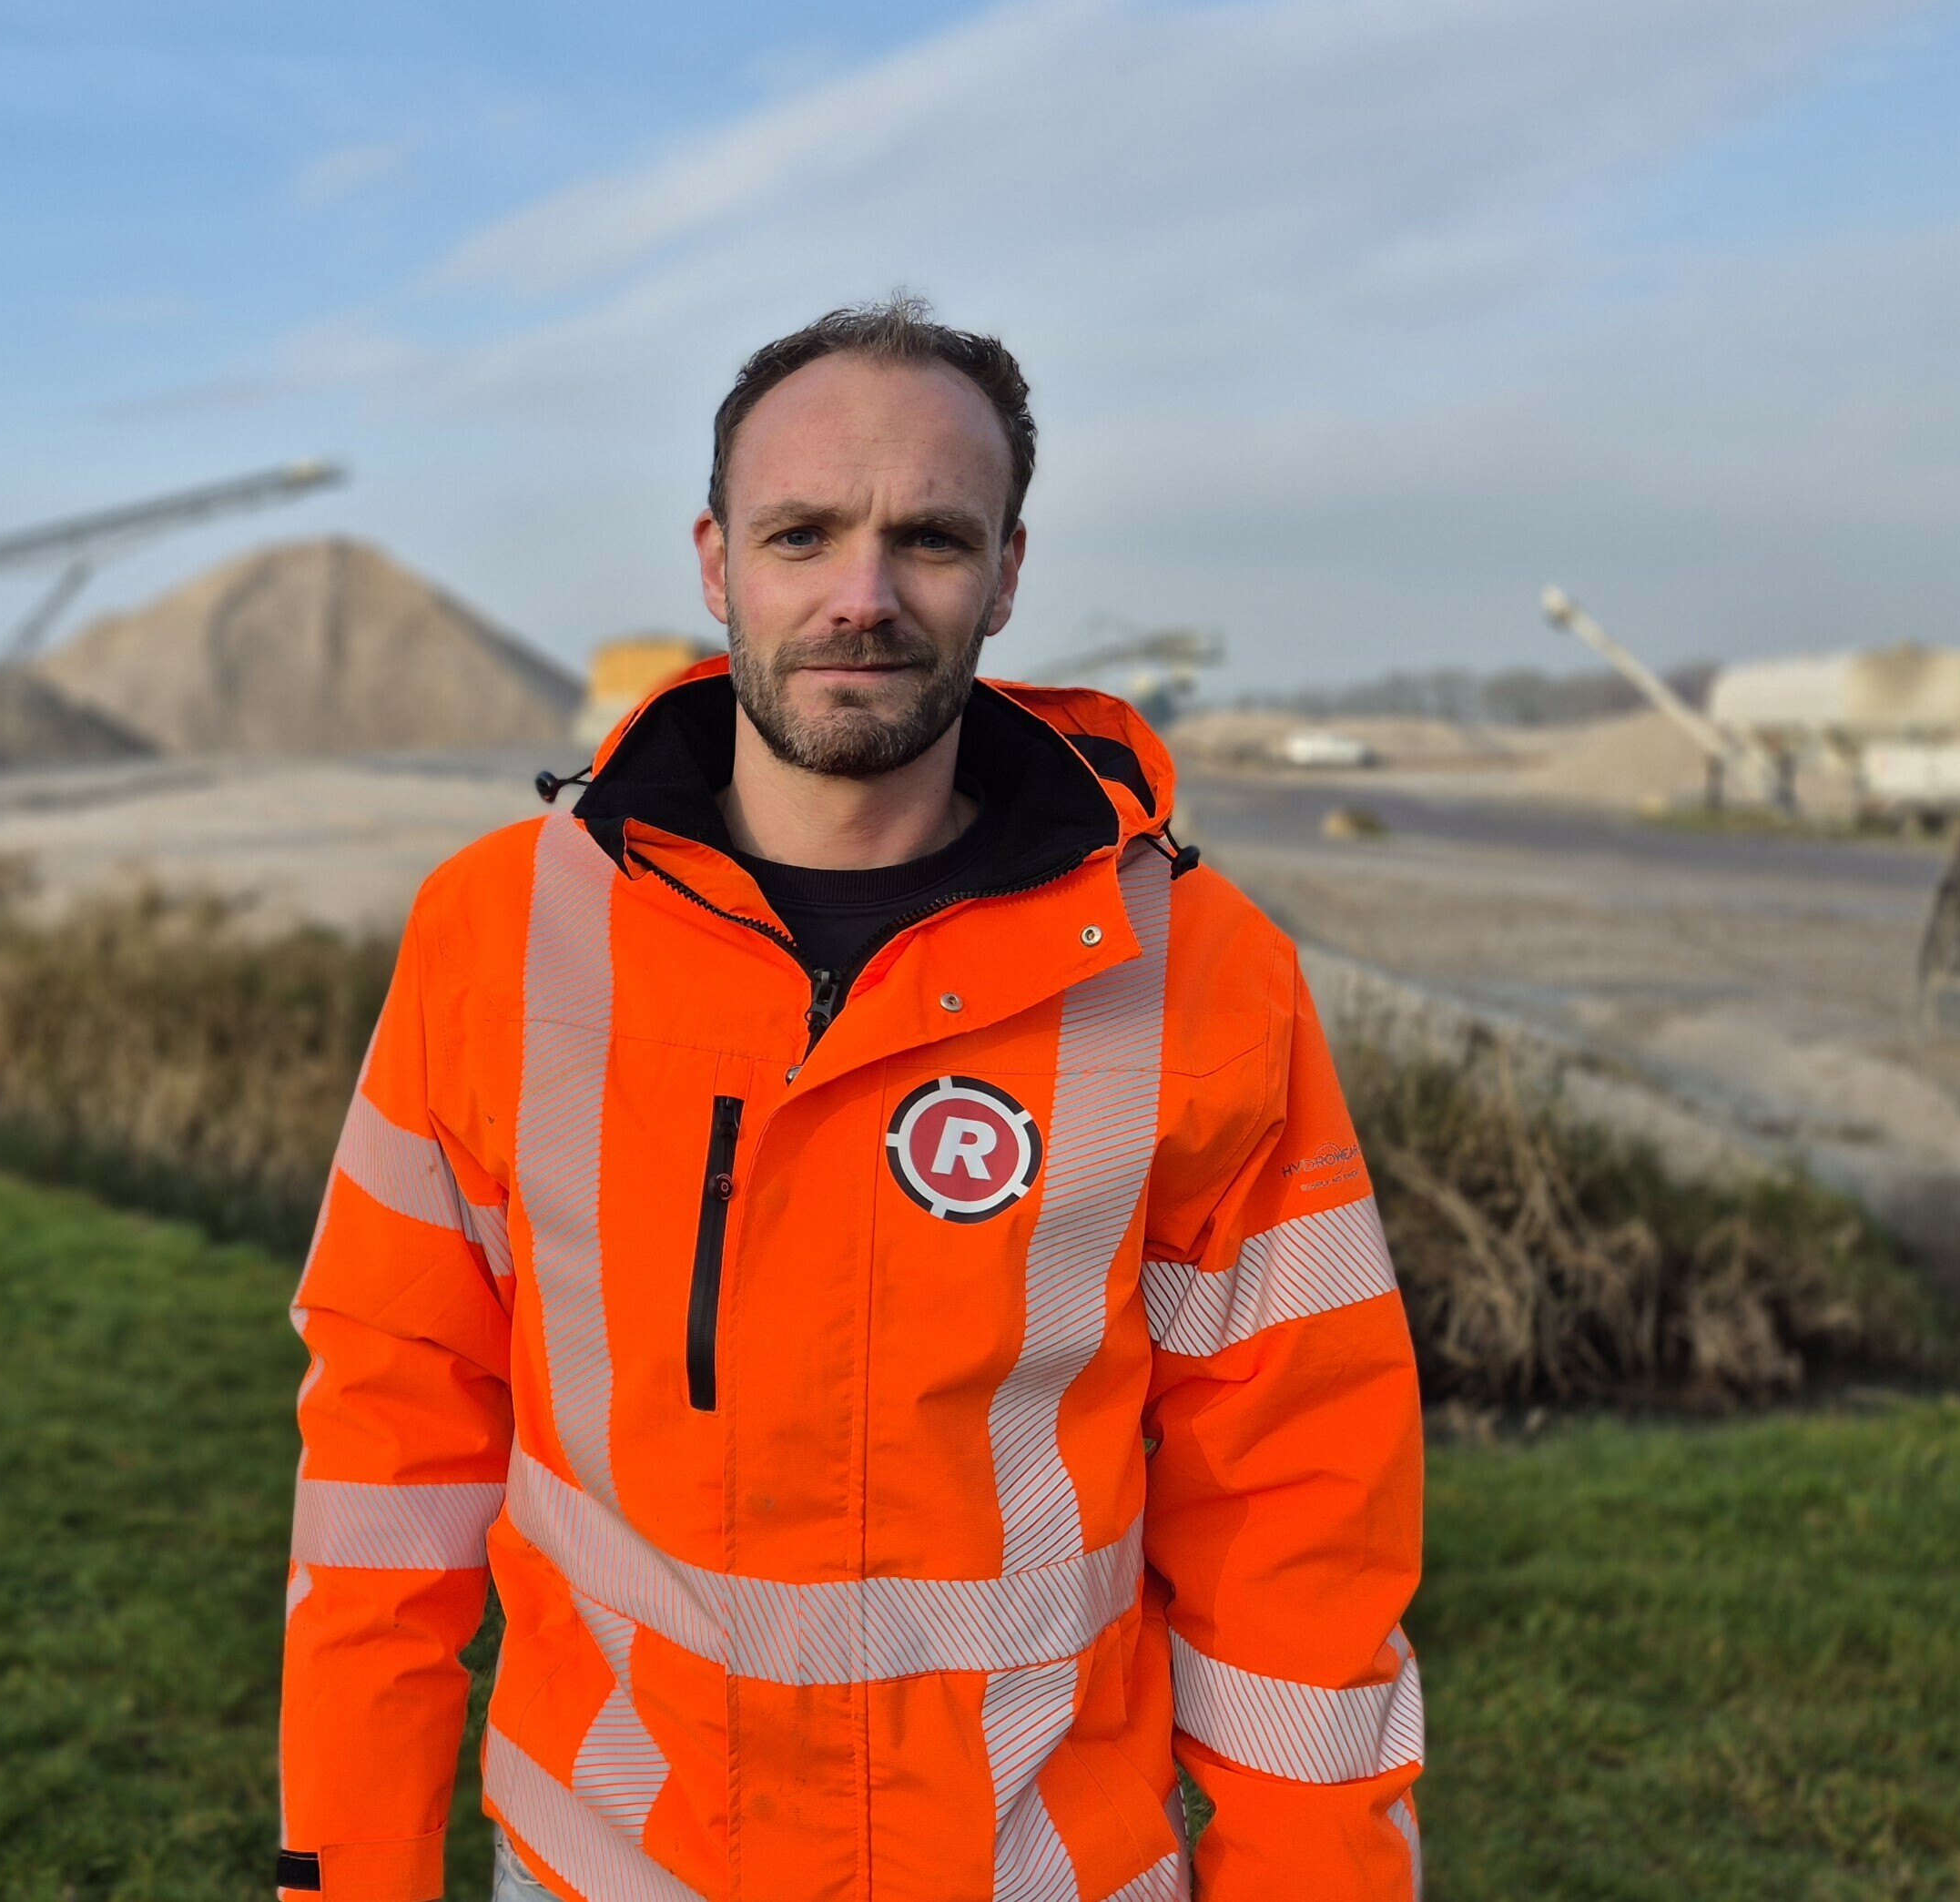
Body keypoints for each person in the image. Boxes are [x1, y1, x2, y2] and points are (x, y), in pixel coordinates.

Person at [277, 299, 1423, 1901]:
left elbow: (1300, 1534)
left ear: (1010, 571)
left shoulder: (1200, 977)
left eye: (931, 539)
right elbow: (385, 1468)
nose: (862, 597)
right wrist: (348, 1876)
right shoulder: (500, 937)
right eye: (803, 533)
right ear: (714, 560)